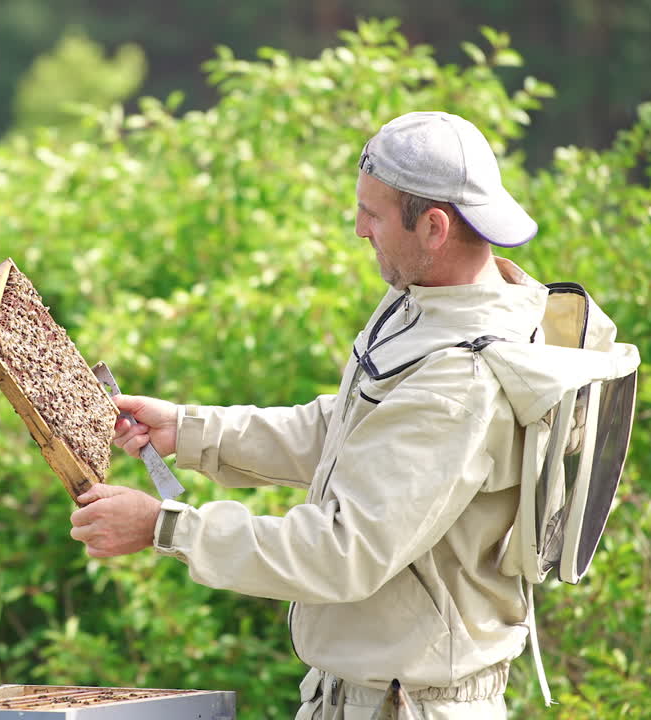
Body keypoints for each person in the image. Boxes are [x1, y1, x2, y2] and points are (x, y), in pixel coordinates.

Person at [69, 111, 565, 719]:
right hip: (363, 696)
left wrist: (165, 528)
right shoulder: (430, 303)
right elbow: (350, 430)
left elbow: (342, 552)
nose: (359, 229)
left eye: (373, 214)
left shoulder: (460, 378)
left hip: (409, 706)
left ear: (434, 227)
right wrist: (192, 430)